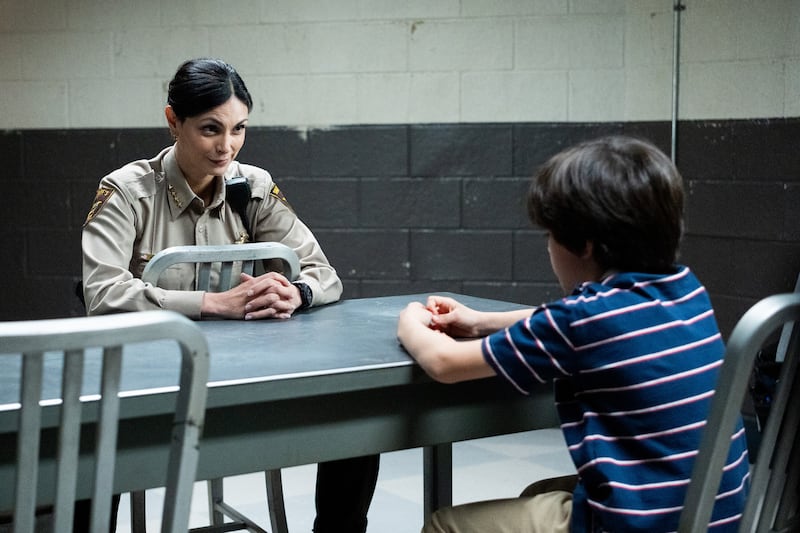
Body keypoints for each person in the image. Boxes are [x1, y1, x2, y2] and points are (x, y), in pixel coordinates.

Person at [81, 57, 378, 533]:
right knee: (86, 441)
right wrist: (213, 304)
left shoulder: (252, 187)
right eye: (210, 129)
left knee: (357, 416)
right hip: (151, 389)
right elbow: (102, 292)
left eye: (239, 129)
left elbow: (323, 272)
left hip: (243, 382)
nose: (227, 146)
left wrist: (295, 292)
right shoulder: (127, 192)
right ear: (173, 121)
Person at [396, 136, 750, 532]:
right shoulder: (685, 290)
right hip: (711, 516)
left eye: (549, 235)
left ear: (584, 245)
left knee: (445, 524)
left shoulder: (584, 320)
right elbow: (572, 324)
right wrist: (480, 322)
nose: (548, 247)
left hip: (638, 525)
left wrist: (410, 319)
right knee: (538, 493)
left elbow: (443, 363)